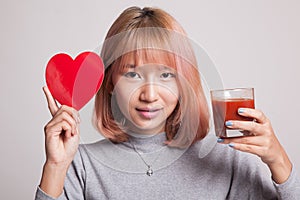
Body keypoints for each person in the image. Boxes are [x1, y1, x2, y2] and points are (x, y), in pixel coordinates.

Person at [35, 6, 300, 200]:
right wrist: (55, 167)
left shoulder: (226, 157)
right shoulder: (81, 164)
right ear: (111, 80)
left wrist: (279, 161)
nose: (150, 95)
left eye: (165, 75)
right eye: (132, 74)